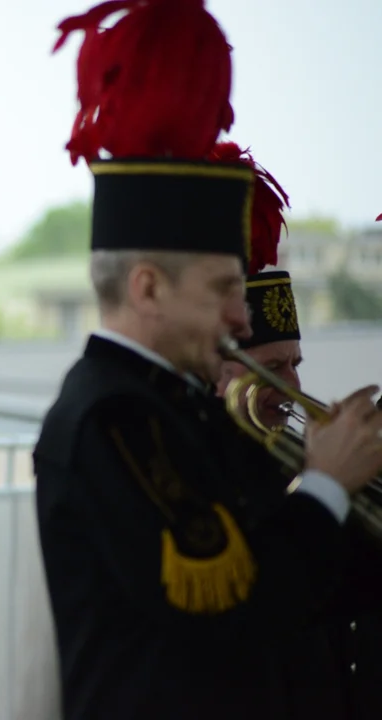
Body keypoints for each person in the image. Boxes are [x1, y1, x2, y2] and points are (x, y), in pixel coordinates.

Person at [35, 2, 382, 718]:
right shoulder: (115, 412)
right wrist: (326, 482)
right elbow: (228, 596)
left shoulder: (172, 403)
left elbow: (307, 588)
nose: (238, 315)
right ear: (148, 287)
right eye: (224, 289)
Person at [212, 143, 382, 720]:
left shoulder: (289, 457)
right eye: (272, 366)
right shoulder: (205, 458)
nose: (288, 384)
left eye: (295, 365)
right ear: (222, 366)